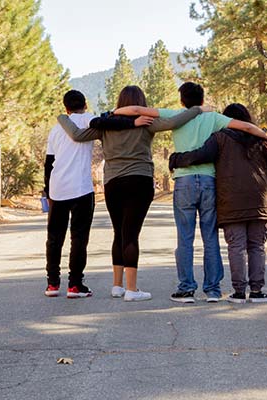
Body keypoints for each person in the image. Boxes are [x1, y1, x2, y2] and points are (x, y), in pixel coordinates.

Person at [115, 82, 267, 304]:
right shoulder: (215, 118)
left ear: (182, 101)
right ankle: (213, 290)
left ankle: (186, 289)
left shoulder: (176, 115)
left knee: (185, 238)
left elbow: (137, 110)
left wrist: (113, 112)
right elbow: (246, 127)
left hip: (184, 182)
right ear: (201, 99)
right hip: (209, 182)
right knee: (210, 238)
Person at [57, 86, 208, 301]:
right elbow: (174, 121)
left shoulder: (107, 124)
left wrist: (63, 117)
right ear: (140, 101)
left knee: (119, 232)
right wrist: (196, 110)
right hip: (140, 180)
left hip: (113, 183)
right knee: (131, 234)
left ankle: (117, 286)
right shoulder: (146, 121)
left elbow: (77, 134)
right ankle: (132, 289)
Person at [169, 103, 267, 304]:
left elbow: (199, 155)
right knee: (257, 246)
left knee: (236, 246)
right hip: (258, 200)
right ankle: (257, 291)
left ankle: (238, 292)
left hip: (231, 201)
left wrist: (176, 159)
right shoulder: (261, 139)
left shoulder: (220, 138)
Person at [43, 90, 96, 299]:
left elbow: (48, 163)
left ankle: (52, 284)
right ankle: (75, 285)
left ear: (65, 108)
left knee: (54, 238)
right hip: (81, 188)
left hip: (57, 188)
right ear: (85, 104)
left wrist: (47, 191)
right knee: (79, 237)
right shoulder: (89, 119)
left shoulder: (56, 130)